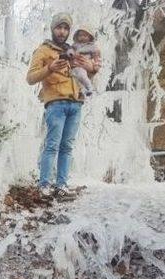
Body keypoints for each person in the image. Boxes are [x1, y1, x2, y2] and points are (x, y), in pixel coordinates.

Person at [26, 12, 101, 197]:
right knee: (52, 145)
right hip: (56, 104)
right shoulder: (43, 50)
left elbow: (84, 74)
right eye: (59, 27)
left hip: (75, 104)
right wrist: (49, 68)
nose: (62, 31)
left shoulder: (74, 50)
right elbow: (30, 78)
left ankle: (61, 185)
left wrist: (91, 69)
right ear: (53, 29)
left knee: (67, 147)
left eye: (66, 28)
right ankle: (44, 185)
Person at [65, 27, 101, 97]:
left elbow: (97, 57)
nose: (82, 37)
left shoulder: (92, 47)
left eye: (85, 36)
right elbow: (70, 50)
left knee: (82, 76)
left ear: (90, 37)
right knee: (73, 78)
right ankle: (79, 91)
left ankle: (89, 88)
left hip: (83, 66)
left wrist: (96, 66)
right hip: (74, 66)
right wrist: (70, 53)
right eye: (80, 35)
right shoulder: (75, 45)